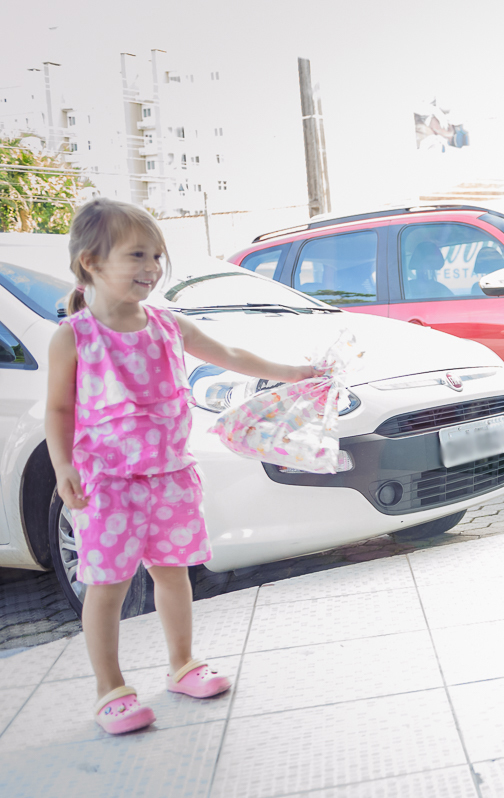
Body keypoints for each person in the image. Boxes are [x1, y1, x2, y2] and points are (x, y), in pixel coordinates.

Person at [45, 198, 315, 735]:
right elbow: (58, 408)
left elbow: (232, 355)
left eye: (157, 257)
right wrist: (62, 466)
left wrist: (293, 372)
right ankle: (110, 690)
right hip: (108, 485)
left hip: (169, 475)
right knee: (107, 585)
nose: (152, 269)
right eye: (137, 256)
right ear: (91, 262)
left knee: (173, 573)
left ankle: (183, 664)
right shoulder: (75, 336)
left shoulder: (167, 325)